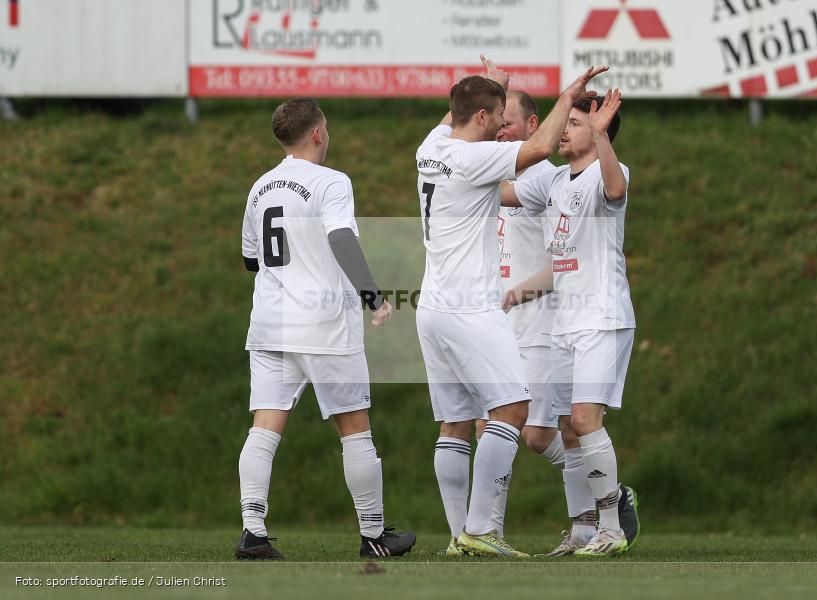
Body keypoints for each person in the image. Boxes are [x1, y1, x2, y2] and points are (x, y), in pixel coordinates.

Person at [416, 55, 607, 557]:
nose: (502, 127)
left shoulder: (430, 147)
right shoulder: (475, 159)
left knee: (456, 421)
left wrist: (492, 85)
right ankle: (481, 529)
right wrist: (570, 94)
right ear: (482, 118)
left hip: (432, 306)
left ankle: (462, 535)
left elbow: (456, 115)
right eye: (497, 117)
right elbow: (543, 145)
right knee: (512, 409)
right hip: (473, 307)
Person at [236, 97, 415, 560]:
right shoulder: (332, 182)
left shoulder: (259, 188)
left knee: (264, 428)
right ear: (317, 133)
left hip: (270, 324)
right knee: (354, 428)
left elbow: (251, 260)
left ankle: (252, 532)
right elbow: (340, 237)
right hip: (323, 325)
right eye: (327, 128)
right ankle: (374, 536)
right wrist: (372, 295)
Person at [475, 90, 640, 553]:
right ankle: (585, 529)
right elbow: (500, 193)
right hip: (566, 321)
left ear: (599, 131)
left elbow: (616, 190)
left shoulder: (608, 173)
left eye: (574, 124)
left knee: (586, 420)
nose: (563, 130)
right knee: (567, 429)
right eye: (563, 123)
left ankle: (612, 527)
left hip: (601, 316)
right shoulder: (553, 182)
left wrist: (604, 138)